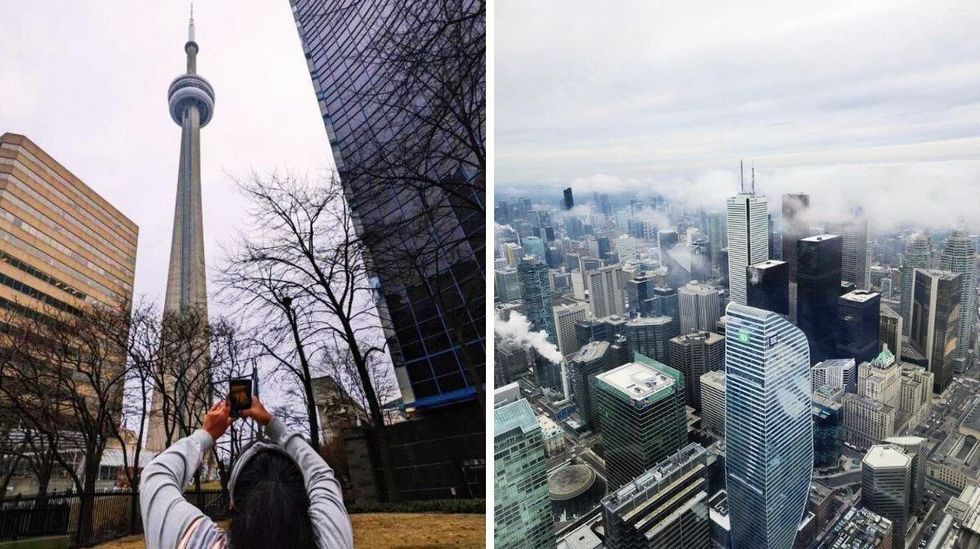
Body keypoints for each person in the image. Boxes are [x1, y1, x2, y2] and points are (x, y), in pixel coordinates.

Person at [140, 396, 354, 549]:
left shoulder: (199, 541)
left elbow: (156, 474)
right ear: (301, 492)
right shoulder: (330, 539)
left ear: (233, 502)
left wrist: (207, 434)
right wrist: (272, 424)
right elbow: (321, 474)